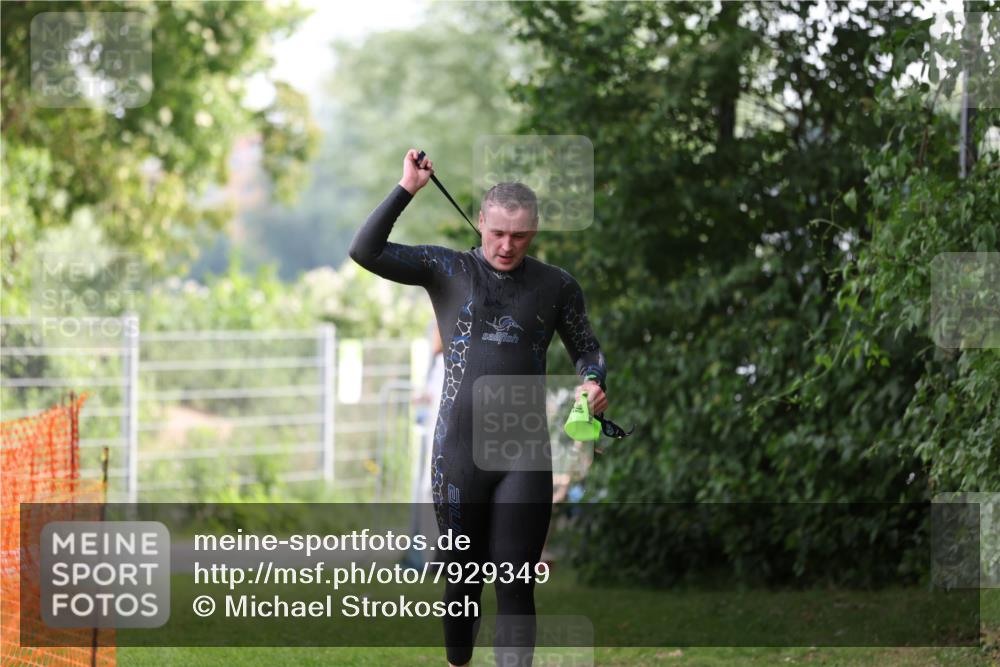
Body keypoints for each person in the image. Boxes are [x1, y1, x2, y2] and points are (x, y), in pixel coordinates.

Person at [349, 149, 608, 667]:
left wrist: (592, 382)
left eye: (520, 236)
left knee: (515, 584)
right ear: (482, 222)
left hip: (524, 452)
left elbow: (587, 348)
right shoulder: (447, 268)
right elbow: (365, 250)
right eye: (498, 233)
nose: (507, 246)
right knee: (462, 582)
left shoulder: (555, 286)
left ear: (534, 232)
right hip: (458, 451)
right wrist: (407, 188)